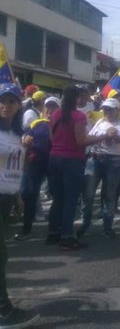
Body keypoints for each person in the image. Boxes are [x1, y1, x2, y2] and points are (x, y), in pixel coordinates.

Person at [47, 86, 116, 251]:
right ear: (75, 98)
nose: (85, 100)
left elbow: (52, 138)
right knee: (70, 199)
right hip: (71, 161)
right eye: (82, 97)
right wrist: (104, 136)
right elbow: (81, 141)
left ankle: (53, 233)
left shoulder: (55, 114)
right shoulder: (78, 116)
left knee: (58, 199)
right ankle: (67, 237)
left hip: (54, 158)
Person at [0, 83, 40, 328]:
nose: (6, 106)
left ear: (19, 105)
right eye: (2, 101)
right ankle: (4, 311)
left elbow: (12, 170)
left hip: (7, 199)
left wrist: (17, 196)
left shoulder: (19, 136)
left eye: (11, 101)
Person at [78, 98, 120, 239]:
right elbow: (89, 136)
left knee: (109, 196)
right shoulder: (100, 122)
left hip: (112, 161)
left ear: (117, 110)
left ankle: (107, 227)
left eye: (110, 109)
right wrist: (105, 133)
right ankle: (85, 223)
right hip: (95, 158)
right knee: (88, 194)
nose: (107, 112)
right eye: (105, 109)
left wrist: (115, 134)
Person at [15, 96, 60, 241]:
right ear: (43, 108)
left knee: (57, 195)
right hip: (35, 163)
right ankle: (26, 229)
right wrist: (25, 140)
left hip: (54, 163)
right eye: (48, 107)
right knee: (29, 194)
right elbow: (25, 136)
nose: (50, 110)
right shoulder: (36, 123)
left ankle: (56, 229)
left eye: (54, 107)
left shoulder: (61, 125)